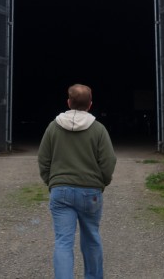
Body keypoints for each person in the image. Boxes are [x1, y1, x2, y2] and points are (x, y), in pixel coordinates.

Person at [37, 84, 117, 279]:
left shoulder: (53, 127)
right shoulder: (98, 129)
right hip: (91, 192)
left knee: (63, 242)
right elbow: (108, 161)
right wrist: (102, 183)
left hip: (60, 190)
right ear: (90, 104)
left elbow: (43, 159)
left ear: (68, 102)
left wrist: (52, 181)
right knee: (91, 239)